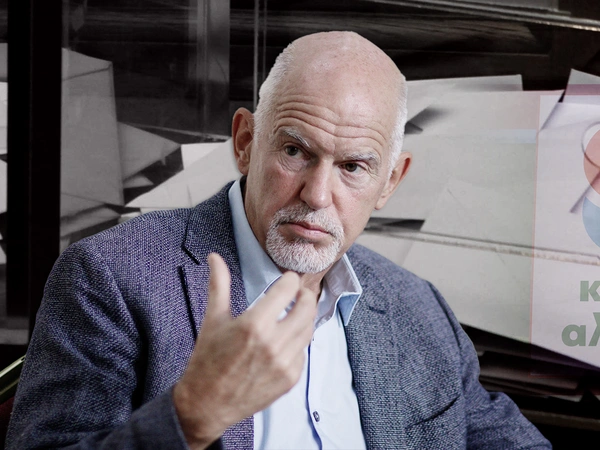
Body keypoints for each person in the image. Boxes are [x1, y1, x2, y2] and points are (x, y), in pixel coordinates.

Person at [6, 31, 551, 449]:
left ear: (390, 182)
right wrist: (190, 418)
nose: (317, 195)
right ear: (245, 142)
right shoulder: (109, 277)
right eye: (295, 151)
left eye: (353, 167)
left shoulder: (420, 309)